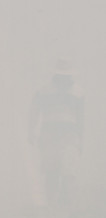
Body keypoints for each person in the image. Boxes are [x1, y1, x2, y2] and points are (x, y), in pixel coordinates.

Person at [28, 58, 85, 205]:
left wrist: (81, 139)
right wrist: (31, 131)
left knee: (69, 170)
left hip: (70, 135)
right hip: (49, 135)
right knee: (51, 169)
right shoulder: (43, 91)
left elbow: (81, 117)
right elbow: (34, 112)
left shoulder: (78, 92)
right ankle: (51, 203)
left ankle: (67, 201)